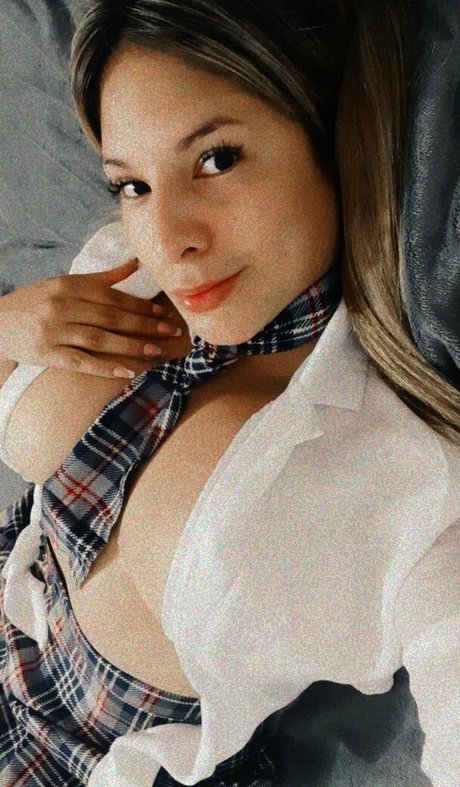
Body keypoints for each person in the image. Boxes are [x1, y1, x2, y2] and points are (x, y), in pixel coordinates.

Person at [0, 1, 459, 786]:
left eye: (216, 160)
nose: (169, 239)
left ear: (326, 134)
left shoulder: (399, 473)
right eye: (133, 183)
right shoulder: (122, 267)